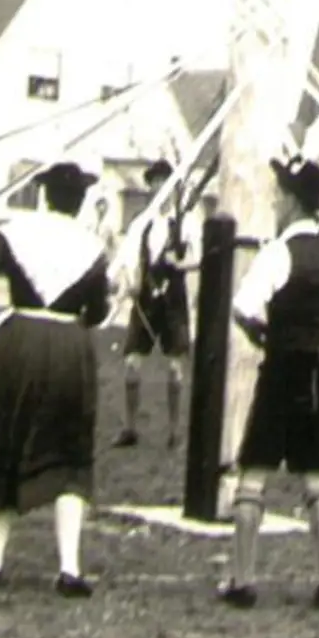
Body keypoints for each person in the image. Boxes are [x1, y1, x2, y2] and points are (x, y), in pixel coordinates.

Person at [0, 162, 112, 598]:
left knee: (5, 441)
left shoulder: (17, 232)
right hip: (69, 348)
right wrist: (96, 306)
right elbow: (98, 312)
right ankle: (69, 568)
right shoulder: (92, 245)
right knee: (69, 454)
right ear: (80, 201)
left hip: (19, 342)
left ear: (45, 196)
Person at [219, 153, 319, 612]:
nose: (276, 202)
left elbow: (242, 306)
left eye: (281, 195)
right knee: (315, 477)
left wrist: (266, 337)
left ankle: (242, 579)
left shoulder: (279, 253)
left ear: (294, 202)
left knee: (254, 471)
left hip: (282, 371)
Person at [118, 159, 197, 449]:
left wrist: (179, 263)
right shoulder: (141, 223)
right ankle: (130, 428)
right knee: (131, 365)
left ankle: (175, 431)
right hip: (146, 299)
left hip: (173, 298)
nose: (159, 187)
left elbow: (199, 258)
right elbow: (127, 259)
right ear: (149, 186)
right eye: (155, 181)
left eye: (166, 181)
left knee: (175, 368)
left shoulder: (186, 222)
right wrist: (131, 282)